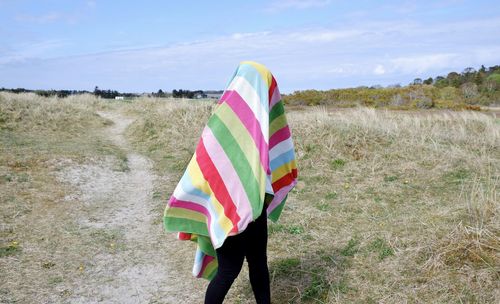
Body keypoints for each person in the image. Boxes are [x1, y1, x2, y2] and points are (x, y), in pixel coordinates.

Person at [163, 61, 298, 303]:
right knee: (238, 269)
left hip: (245, 205)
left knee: (247, 266)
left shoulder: (229, 116)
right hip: (235, 205)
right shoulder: (238, 118)